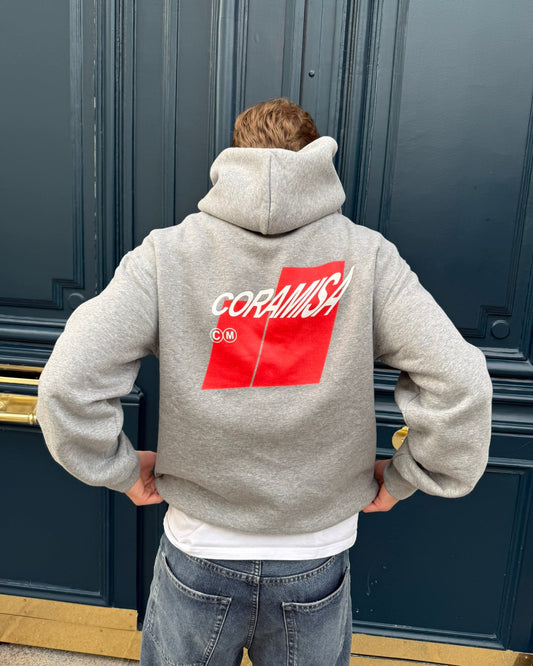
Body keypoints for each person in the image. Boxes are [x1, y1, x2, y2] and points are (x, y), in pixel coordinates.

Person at [37, 98, 492, 666]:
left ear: (235, 156)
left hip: (198, 548)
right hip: (316, 557)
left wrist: (122, 472)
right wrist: (404, 479)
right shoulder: (368, 257)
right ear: (317, 157)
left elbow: (68, 384)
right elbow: (461, 382)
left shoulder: (167, 254)